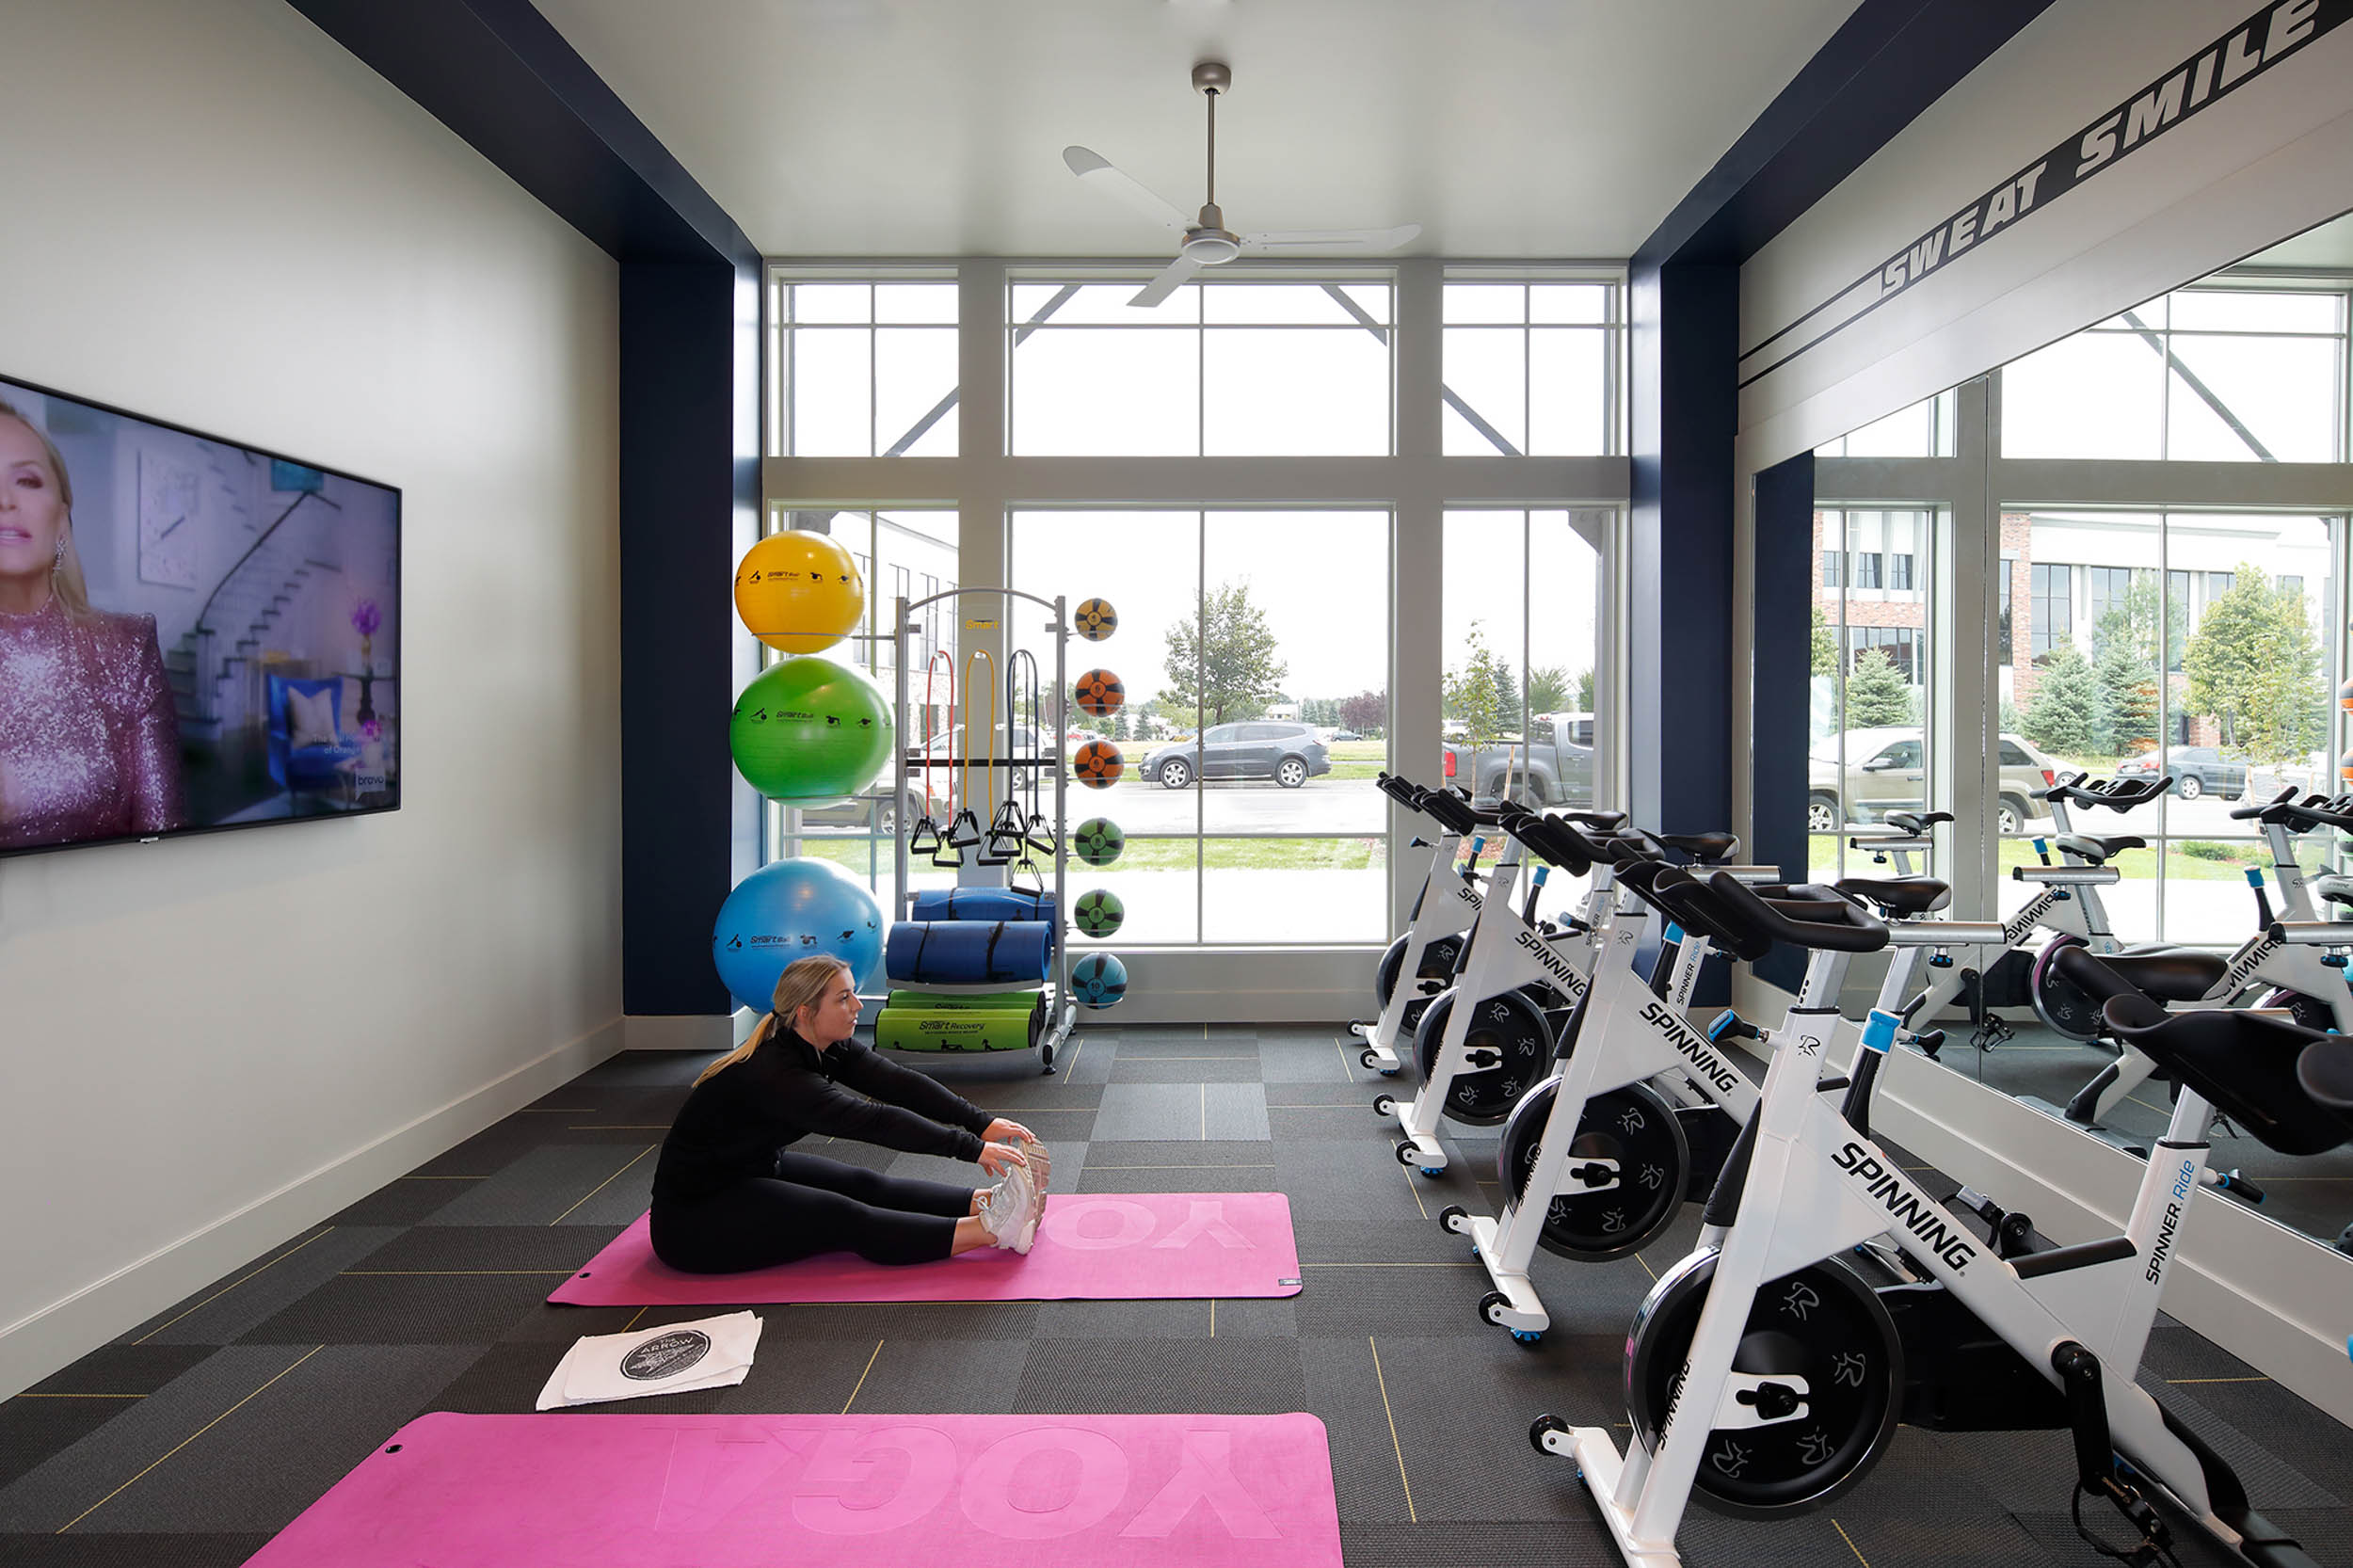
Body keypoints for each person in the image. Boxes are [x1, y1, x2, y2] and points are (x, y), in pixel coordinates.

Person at [650, 954, 1051, 1272]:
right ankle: (993, 1230)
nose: (858, 1005)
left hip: (751, 1168)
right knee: (840, 1217)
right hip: (694, 1220)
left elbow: (899, 1084)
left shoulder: (822, 1044)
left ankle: (987, 1202)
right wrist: (970, 1148)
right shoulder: (777, 1075)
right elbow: (874, 1121)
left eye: (853, 994)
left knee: (864, 1183)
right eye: (843, 998)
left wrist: (980, 1123)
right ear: (806, 1011)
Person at [0, 399, 184, 850]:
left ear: (61, 518)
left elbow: (167, 841)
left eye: (26, 480)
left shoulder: (128, 648)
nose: (4, 501)